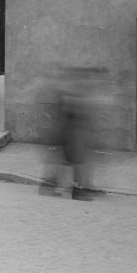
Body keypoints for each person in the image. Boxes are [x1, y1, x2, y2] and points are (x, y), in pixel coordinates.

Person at [40, 68, 97, 200]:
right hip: (71, 134)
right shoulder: (70, 95)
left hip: (69, 134)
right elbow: (68, 116)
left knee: (65, 161)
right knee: (75, 162)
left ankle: (48, 186)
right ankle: (76, 191)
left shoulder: (69, 93)